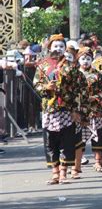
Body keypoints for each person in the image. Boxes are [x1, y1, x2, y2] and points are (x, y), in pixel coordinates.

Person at [34, 34, 87, 184]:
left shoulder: (71, 66)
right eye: (55, 46)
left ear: (65, 49)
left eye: (61, 46)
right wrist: (46, 87)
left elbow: (80, 87)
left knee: (67, 142)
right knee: (51, 142)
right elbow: (36, 84)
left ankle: (64, 172)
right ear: (49, 47)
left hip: (67, 109)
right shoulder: (43, 64)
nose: (58, 49)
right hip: (49, 109)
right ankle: (55, 172)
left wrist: (77, 109)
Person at [76, 47, 102, 174]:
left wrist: (95, 97)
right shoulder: (74, 74)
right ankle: (77, 164)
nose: (85, 61)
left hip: (95, 110)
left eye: (88, 59)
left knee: (98, 136)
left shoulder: (98, 75)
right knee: (78, 138)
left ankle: (98, 161)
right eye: (83, 59)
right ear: (78, 60)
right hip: (79, 111)